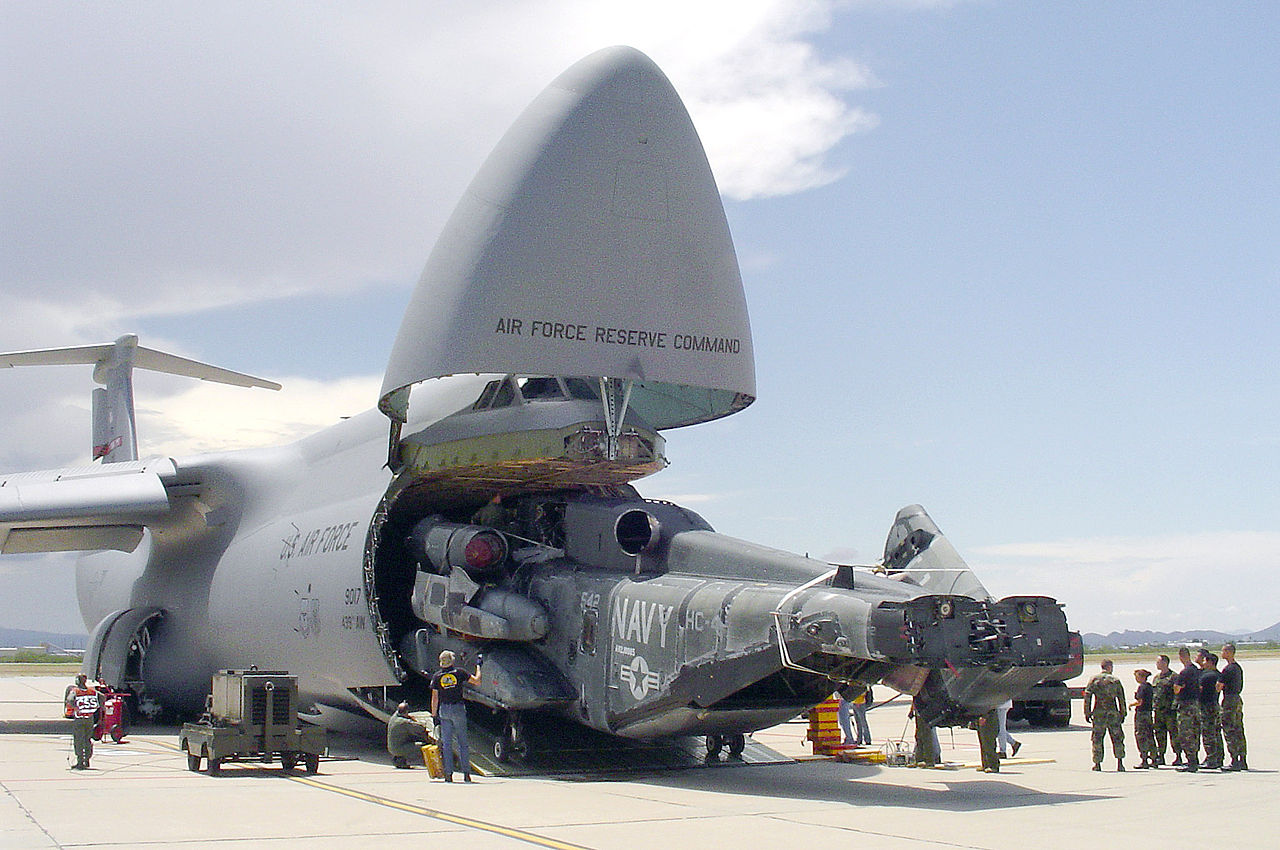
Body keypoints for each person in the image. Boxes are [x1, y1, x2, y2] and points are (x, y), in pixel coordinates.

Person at [431, 650, 481, 782]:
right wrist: (479, 666)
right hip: (458, 708)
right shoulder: (459, 673)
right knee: (462, 743)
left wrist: (434, 715)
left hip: (444, 710)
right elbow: (477, 681)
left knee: (447, 744)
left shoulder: (437, 677)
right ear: (452, 661)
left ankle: (448, 774)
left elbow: (435, 698)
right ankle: (466, 774)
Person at [1083, 659, 1126, 771]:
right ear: (1110, 667)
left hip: (1099, 713)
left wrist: (1087, 712)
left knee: (1097, 738)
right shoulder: (1115, 680)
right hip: (1113, 713)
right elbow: (1121, 698)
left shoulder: (1094, 679)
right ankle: (1120, 763)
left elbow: (1087, 696)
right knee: (1117, 737)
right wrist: (1123, 713)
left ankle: (1097, 763)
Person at [1218, 643, 1247, 771]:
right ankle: (1242, 759)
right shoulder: (1238, 668)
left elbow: (1219, 686)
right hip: (1237, 699)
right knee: (1239, 729)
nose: (1222, 653)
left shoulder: (1228, 669)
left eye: (1224, 651)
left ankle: (1234, 760)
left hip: (1229, 699)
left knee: (1229, 730)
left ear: (1229, 652)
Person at [1172, 646, 1202, 772]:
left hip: (1185, 705)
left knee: (1186, 733)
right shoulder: (1196, 670)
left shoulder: (1184, 672)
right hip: (1195, 704)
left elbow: (1176, 688)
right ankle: (1194, 759)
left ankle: (1191, 762)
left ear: (1181, 656)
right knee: (1195, 732)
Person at [64, 673, 99, 770]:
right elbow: (102, 697)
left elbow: (69, 700)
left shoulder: (75, 691)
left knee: (79, 740)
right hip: (90, 718)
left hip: (80, 718)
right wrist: (97, 708)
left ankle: (80, 762)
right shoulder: (92, 691)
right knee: (87, 739)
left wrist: (75, 708)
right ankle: (87, 760)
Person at [1196, 649, 1223, 770]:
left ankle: (1211, 759)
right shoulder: (1218, 674)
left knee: (1208, 734)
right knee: (1216, 732)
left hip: (1206, 706)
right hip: (1215, 704)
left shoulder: (1207, 676)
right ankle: (1218, 757)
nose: (1203, 662)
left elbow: (1199, 690)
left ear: (1210, 662)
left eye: (1205, 660)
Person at [386, 702, 432, 769]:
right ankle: (427, 763)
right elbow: (420, 728)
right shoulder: (404, 722)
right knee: (423, 746)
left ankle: (399, 759)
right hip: (398, 749)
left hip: (391, 747)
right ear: (406, 712)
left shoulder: (394, 717)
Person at [1150, 654, 1177, 766]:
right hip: (1158, 711)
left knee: (1174, 734)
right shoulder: (1156, 678)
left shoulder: (1174, 677)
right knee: (1159, 734)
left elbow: (1177, 693)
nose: (1157, 664)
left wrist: (1174, 707)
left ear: (1165, 663)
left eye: (1158, 662)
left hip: (1170, 711)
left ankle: (1178, 755)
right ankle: (1160, 756)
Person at [1130, 669, 1156, 769]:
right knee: (1150, 735)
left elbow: (1140, 702)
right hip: (1148, 713)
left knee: (1141, 736)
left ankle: (1144, 759)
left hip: (1141, 714)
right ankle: (1154, 758)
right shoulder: (1149, 687)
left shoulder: (1142, 687)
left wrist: (1131, 704)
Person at [909, 695, 939, 767]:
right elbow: (915, 698)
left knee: (927, 736)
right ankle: (919, 758)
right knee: (919, 736)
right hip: (919, 712)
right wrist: (912, 710)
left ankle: (929, 760)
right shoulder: (917, 689)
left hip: (925, 712)